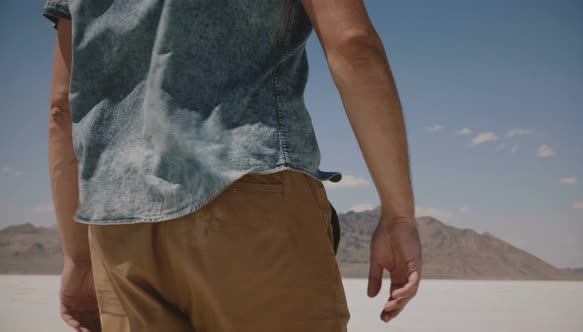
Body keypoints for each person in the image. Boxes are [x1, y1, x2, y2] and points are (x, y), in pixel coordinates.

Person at [43, 0, 423, 331]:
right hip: (249, 197)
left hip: (119, 226)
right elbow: (353, 44)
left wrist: (78, 257)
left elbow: (62, 107)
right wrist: (398, 215)